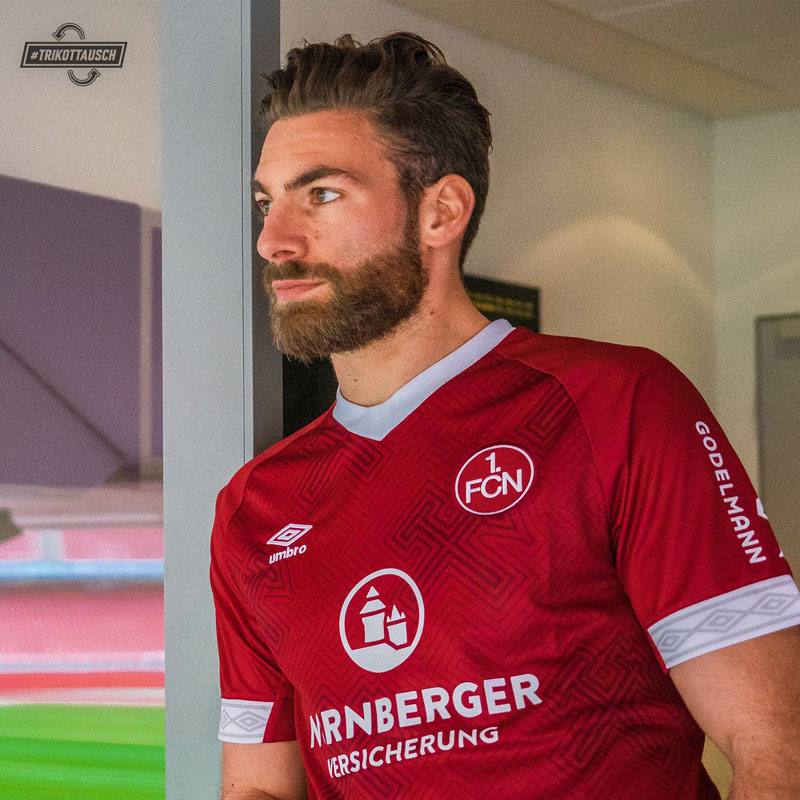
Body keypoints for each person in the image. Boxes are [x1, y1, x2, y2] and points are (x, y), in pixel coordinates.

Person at [210, 32, 800, 800]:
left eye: (321, 195)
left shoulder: (615, 405)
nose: (273, 240)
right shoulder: (256, 505)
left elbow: (778, 744)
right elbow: (259, 788)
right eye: (267, 202)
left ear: (441, 212)